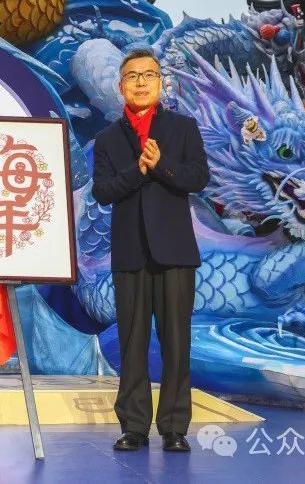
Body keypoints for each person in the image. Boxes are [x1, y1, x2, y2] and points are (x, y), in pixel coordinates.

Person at [91, 48, 209, 453]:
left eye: (149, 75)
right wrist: (139, 170)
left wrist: (162, 166)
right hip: (130, 254)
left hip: (175, 253)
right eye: (132, 76)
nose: (141, 82)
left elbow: (198, 177)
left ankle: (174, 428)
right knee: (132, 343)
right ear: (120, 85)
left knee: (176, 344)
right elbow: (103, 191)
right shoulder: (107, 139)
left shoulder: (182, 127)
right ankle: (134, 426)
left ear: (161, 83)